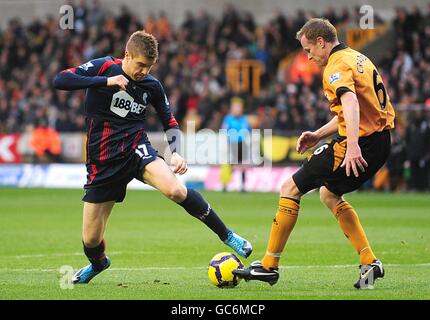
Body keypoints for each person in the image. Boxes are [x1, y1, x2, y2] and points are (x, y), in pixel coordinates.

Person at [53, 31, 252, 285]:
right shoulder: (104, 67)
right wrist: (105, 82)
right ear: (127, 55)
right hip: (101, 161)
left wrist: (176, 151)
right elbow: (60, 80)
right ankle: (98, 263)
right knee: (91, 240)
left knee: (175, 190)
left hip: (136, 148)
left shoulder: (151, 86)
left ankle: (228, 235)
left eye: (149, 66)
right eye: (140, 65)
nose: (144, 71)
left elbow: (169, 120)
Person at [233, 18, 395, 289]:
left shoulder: (335, 66)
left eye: (309, 50)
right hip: (380, 141)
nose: (308, 57)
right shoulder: (357, 58)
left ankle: (269, 266)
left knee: (290, 187)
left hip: (360, 143)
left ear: (321, 42)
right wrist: (318, 135)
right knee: (328, 194)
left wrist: (352, 145)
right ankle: (370, 261)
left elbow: (350, 102)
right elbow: (352, 110)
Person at [220, 97, 252, 192]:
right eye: (236, 108)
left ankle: (242, 186)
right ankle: (225, 184)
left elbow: (249, 131)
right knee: (230, 164)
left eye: (239, 108)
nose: (238, 110)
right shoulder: (228, 119)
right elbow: (224, 130)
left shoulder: (244, 119)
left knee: (242, 165)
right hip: (232, 144)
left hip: (242, 144)